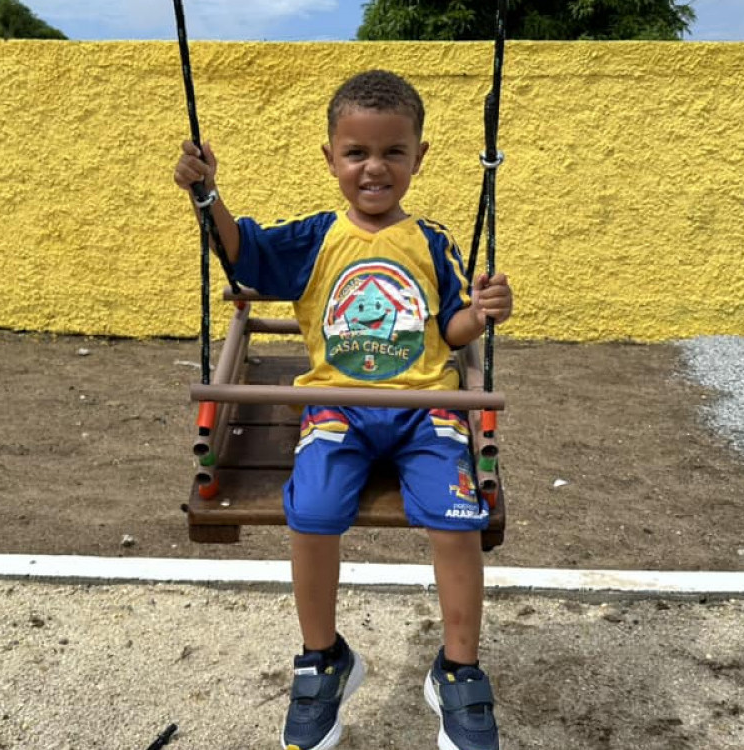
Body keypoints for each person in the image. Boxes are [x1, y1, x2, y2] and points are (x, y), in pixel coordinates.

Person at [174, 69, 512, 750]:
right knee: (313, 512)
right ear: (331, 158)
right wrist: (207, 194)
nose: (374, 167)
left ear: (419, 157)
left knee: (457, 519)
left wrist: (479, 313)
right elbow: (242, 257)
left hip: (426, 408)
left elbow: (450, 331)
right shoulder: (317, 238)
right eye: (357, 152)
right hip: (337, 408)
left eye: (393, 152)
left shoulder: (433, 241)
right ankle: (323, 659)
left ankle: (459, 670)